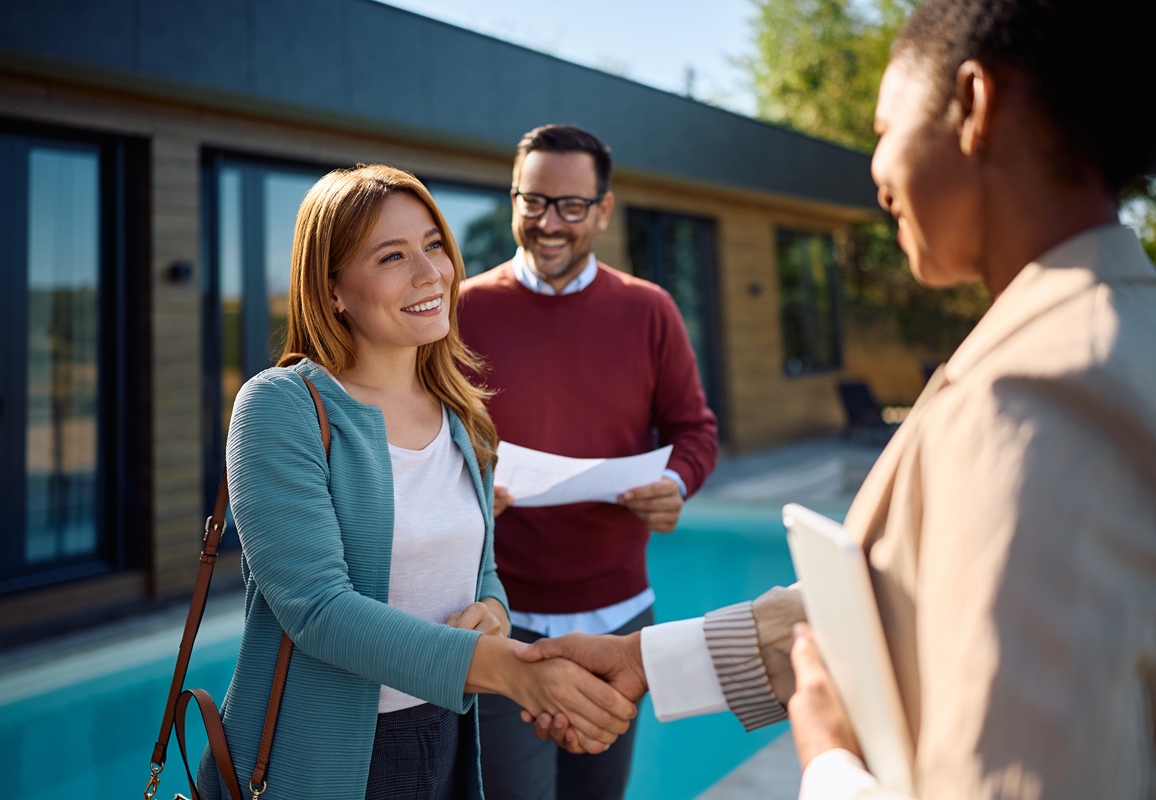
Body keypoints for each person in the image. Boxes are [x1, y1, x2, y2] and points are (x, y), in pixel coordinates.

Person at [516, 2, 1156, 797]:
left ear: (975, 107)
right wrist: (646, 660)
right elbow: (889, 597)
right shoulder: (1104, 333)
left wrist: (827, 761)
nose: (877, 170)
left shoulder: (1040, 396)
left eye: (885, 129)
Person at [197, 164, 637, 800]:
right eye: (392, 256)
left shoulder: (463, 414)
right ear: (335, 290)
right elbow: (317, 610)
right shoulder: (280, 407)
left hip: (447, 739)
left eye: (434, 245)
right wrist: (509, 669)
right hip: (323, 758)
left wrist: (493, 612)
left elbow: (482, 571)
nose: (431, 273)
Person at [457, 124, 719, 800]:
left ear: (603, 210)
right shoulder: (461, 311)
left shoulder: (649, 310)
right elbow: (424, 439)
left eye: (571, 206)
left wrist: (673, 481)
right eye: (533, 202)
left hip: (619, 618)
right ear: (513, 200)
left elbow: (695, 429)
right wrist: (462, 488)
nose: (550, 224)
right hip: (499, 617)